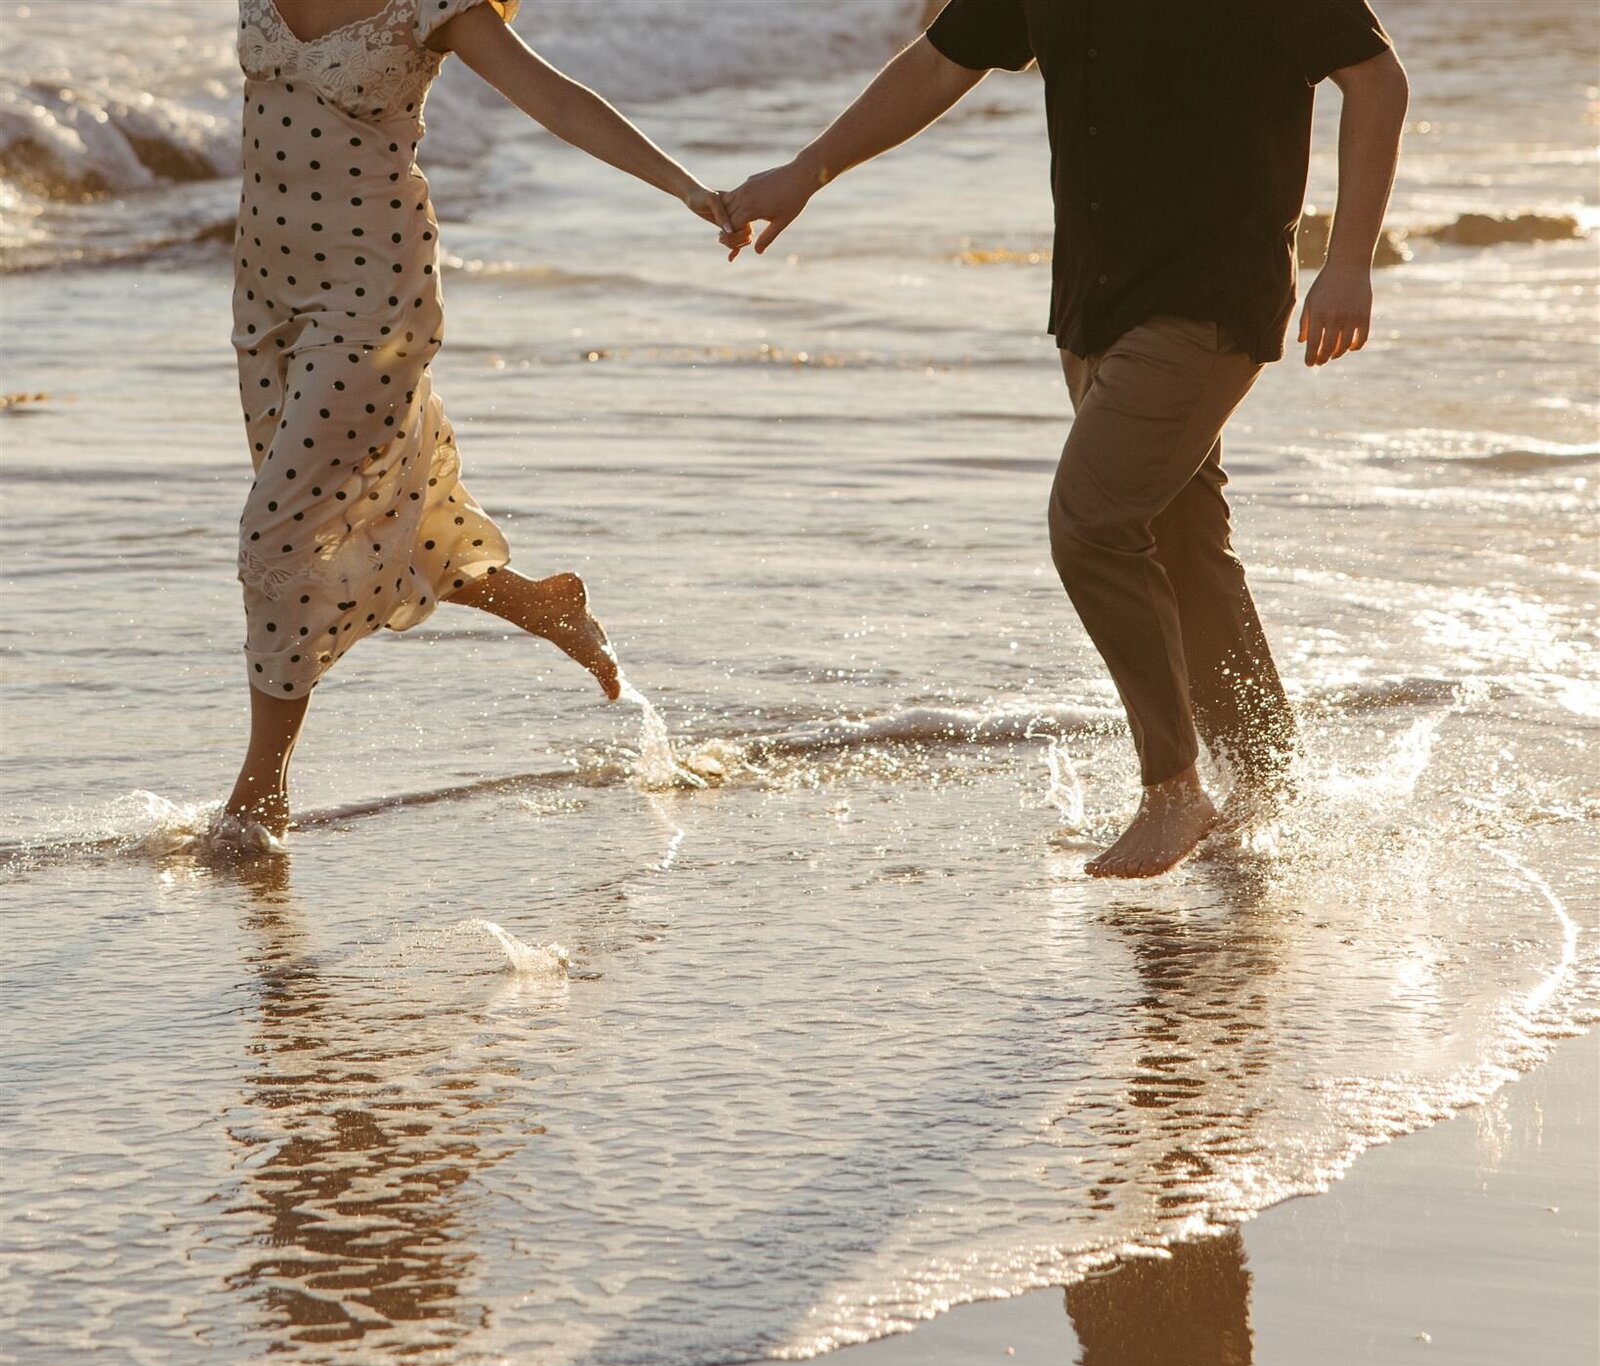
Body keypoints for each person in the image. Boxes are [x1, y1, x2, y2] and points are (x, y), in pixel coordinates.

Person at [721, 2, 1410, 877]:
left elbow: (1376, 80)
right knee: (1182, 541)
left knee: (1091, 526)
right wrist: (807, 170)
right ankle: (1267, 784)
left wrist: (1348, 261)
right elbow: (941, 62)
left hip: (1211, 293)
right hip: (1094, 302)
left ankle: (1174, 789)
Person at [223, 0, 734, 839]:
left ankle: (261, 794)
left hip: (373, 299)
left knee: (277, 538)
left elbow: (558, 99)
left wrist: (686, 188)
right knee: (353, 514)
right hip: (263, 286)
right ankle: (541, 605)